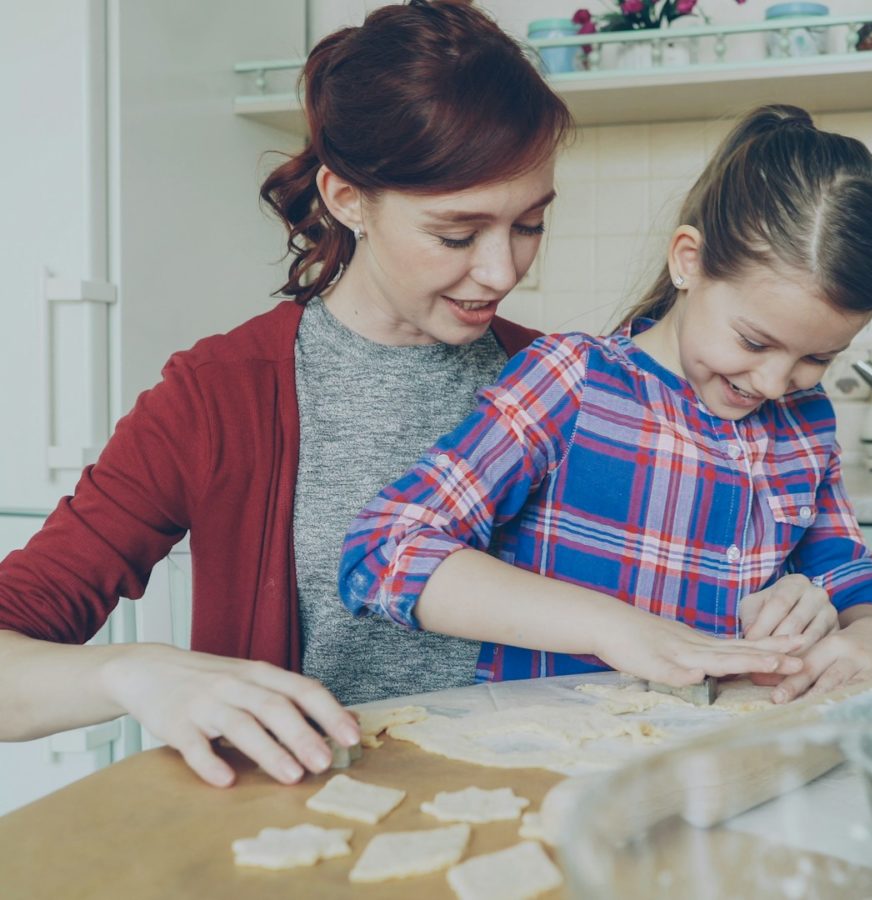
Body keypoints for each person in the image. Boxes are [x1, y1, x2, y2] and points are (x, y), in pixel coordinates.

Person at [0, 0, 586, 790]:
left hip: (546, 824)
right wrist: (132, 672)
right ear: (348, 199)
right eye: (457, 234)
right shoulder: (215, 399)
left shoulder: (569, 385)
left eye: (530, 226)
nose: (502, 271)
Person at [339, 104, 872, 704]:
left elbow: (845, 574)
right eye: (754, 341)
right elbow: (385, 549)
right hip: (554, 757)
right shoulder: (572, 383)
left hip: (721, 757)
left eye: (817, 359)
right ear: (688, 261)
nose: (774, 383)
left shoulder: (805, 419)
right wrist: (614, 628)